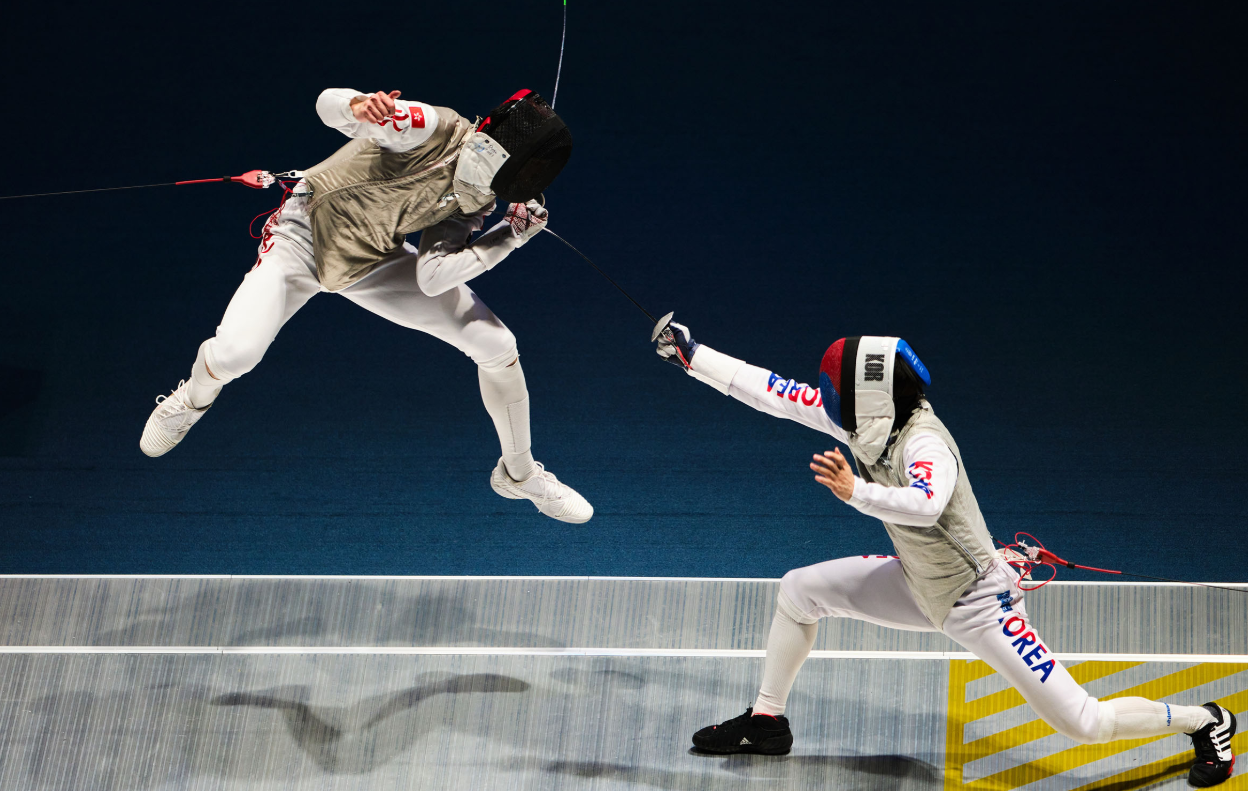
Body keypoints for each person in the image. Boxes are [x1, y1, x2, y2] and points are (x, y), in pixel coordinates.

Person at [654, 324, 1237, 787]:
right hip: (918, 583)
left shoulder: (926, 443)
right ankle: (766, 720)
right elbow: (770, 391)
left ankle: (1207, 721)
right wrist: (692, 354)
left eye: (839, 392)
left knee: (1085, 723)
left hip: (981, 605)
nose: (829, 400)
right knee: (799, 591)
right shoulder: (862, 420)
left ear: (871, 398)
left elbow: (926, 505)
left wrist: (856, 491)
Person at [139, 88, 592, 523]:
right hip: (301, 242)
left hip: (372, 259)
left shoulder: (480, 194)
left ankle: (519, 473)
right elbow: (326, 104)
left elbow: (433, 277)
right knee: (236, 354)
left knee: (497, 344)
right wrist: (356, 105)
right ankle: (191, 401)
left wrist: (508, 237)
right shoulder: (430, 125)